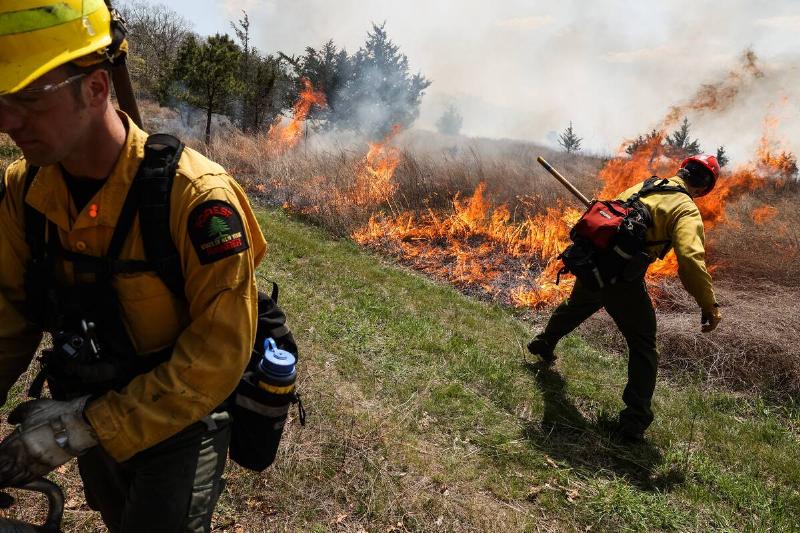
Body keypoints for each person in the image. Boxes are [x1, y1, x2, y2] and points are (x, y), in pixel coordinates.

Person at [0, 2, 267, 531]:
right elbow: (7, 316)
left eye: (29, 98)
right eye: (1, 101)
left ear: (96, 88)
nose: (8, 122)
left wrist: (79, 428)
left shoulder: (196, 201)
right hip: (86, 401)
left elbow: (217, 355)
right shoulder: (24, 189)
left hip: (180, 418)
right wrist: (81, 422)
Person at [527, 154, 723, 443]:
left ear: (682, 169)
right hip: (621, 279)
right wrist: (708, 304)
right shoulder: (686, 209)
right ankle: (635, 420)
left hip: (594, 262)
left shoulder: (646, 186)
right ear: (705, 189)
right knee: (644, 344)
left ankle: (544, 343)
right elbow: (691, 260)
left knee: (578, 305)